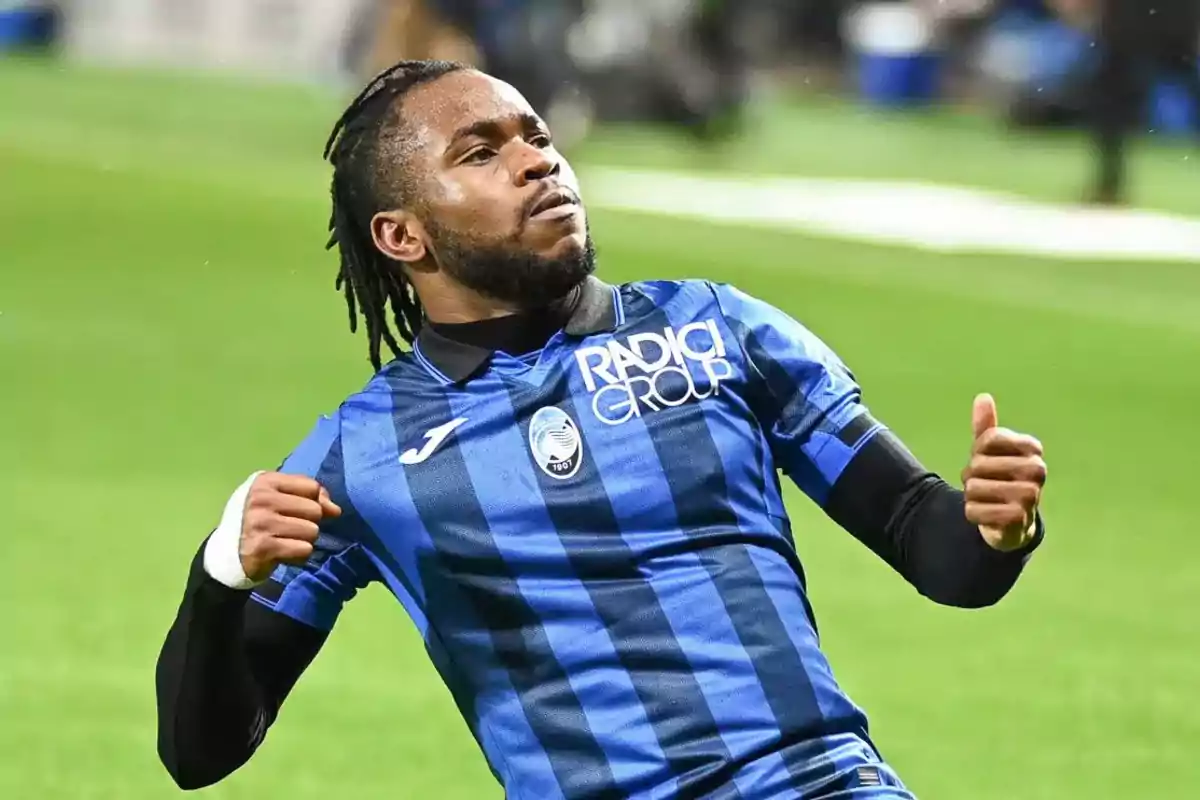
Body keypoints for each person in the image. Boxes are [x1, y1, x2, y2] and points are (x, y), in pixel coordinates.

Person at [154, 60, 1049, 799]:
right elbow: (202, 752)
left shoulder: (719, 330)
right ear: (402, 235)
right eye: (481, 153)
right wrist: (221, 575)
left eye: (538, 137)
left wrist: (994, 526)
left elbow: (936, 553)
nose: (539, 163)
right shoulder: (358, 459)